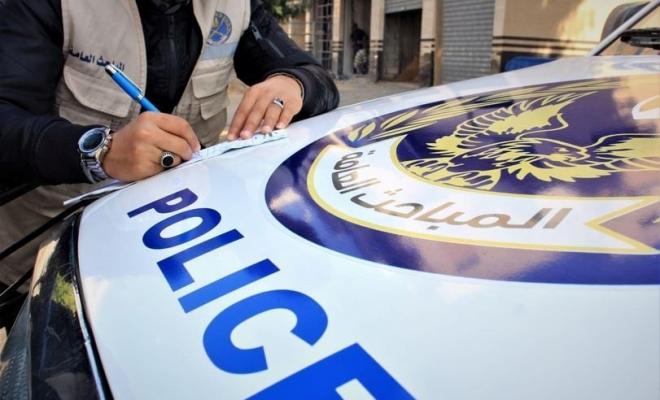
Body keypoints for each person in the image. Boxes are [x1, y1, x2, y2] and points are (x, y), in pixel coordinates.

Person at [0, 0, 339, 296]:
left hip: (184, 252)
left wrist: (293, 83)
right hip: (47, 260)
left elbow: (314, 77)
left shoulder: (238, 6)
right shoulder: (50, 5)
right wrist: (101, 151)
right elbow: (6, 121)